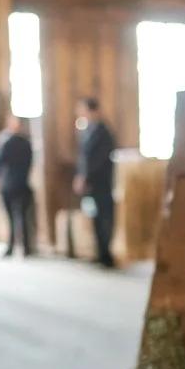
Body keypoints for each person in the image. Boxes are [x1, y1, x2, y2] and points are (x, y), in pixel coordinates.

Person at [73, 96, 116, 268]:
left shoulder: (103, 131)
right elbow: (83, 158)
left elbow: (98, 159)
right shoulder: (87, 130)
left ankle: (106, 254)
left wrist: (86, 176)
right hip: (91, 183)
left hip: (102, 181)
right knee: (96, 217)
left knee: (105, 217)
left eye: (83, 109)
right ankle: (99, 251)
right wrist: (80, 176)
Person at [0, 114, 35, 258]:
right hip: (21, 183)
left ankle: (12, 247)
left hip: (11, 184)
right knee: (21, 217)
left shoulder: (7, 142)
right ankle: (25, 248)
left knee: (13, 218)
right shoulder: (27, 143)